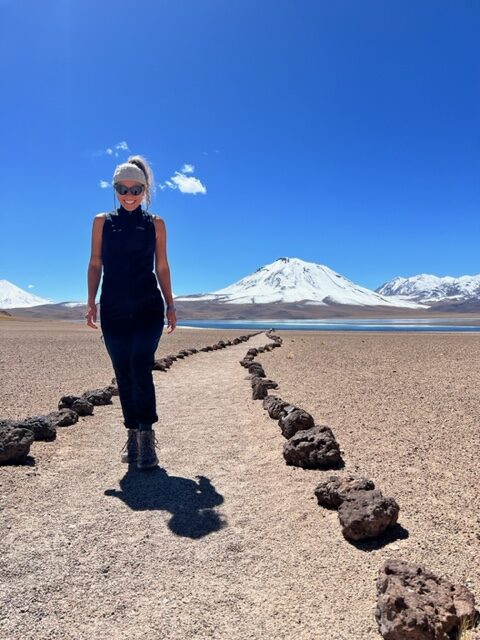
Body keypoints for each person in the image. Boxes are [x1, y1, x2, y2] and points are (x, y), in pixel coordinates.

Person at [85, 155, 176, 470]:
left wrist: (170, 304)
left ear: (145, 189)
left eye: (136, 189)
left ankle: (147, 439)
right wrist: (90, 300)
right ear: (114, 188)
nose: (129, 194)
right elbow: (96, 262)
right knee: (123, 372)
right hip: (113, 308)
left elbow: (161, 266)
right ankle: (132, 435)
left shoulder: (156, 224)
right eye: (122, 188)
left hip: (148, 307)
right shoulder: (102, 222)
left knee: (140, 365)